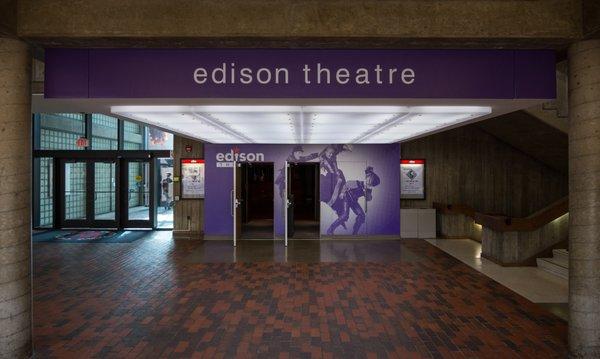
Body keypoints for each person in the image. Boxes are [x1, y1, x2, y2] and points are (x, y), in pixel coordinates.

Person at [326, 166, 381, 235]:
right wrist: (342, 193)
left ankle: (355, 233)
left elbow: (369, 199)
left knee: (361, 215)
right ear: (366, 178)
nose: (368, 182)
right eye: (368, 180)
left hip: (354, 201)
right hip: (347, 199)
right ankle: (330, 230)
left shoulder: (368, 190)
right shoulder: (358, 183)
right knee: (345, 215)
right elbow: (347, 184)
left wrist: (367, 191)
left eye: (371, 183)